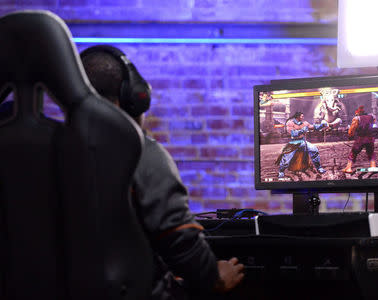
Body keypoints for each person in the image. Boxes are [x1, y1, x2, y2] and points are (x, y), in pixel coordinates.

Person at [80, 45, 244, 299]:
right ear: (135, 97)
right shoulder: (140, 153)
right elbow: (182, 245)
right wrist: (213, 277)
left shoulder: (52, 153)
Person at [275, 111, 328, 178]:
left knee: (314, 150)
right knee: (286, 158)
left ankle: (319, 168)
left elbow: (313, 127)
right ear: (298, 116)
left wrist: (321, 125)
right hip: (294, 142)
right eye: (301, 116)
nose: (303, 117)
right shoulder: (290, 123)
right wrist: (302, 130)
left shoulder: (304, 123)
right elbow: (293, 133)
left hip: (303, 142)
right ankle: (281, 171)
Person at [342, 105, 376, 173]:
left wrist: (350, 135)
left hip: (361, 139)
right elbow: (372, 124)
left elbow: (352, 130)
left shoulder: (357, 118)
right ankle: (373, 166)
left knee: (353, 153)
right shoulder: (372, 117)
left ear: (358, 112)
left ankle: (348, 168)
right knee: (371, 152)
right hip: (370, 138)